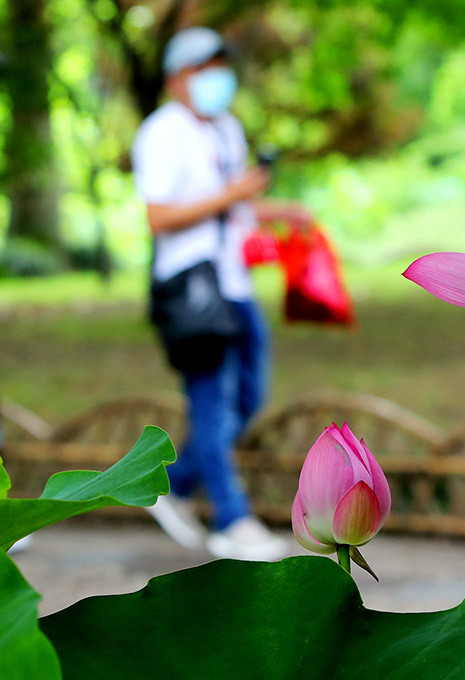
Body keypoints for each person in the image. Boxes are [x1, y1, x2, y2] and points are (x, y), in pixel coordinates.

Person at [132, 27, 309, 561]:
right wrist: (232, 192)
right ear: (175, 79)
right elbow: (158, 216)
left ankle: (174, 485)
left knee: (249, 395)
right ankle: (232, 519)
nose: (215, 78)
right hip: (192, 288)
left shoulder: (227, 128)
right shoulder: (161, 133)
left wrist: (276, 211)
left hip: (234, 283)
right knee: (212, 402)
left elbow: (233, 207)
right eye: (202, 69)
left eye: (219, 67)